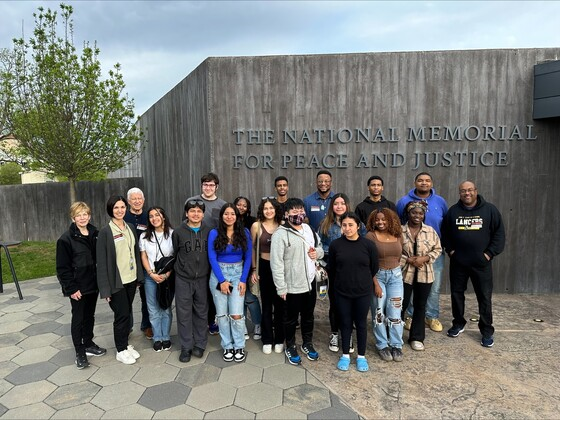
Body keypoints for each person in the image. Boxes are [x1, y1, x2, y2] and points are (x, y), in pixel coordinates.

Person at [441, 181, 505, 348]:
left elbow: (499, 234)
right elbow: (445, 233)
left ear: (476, 191)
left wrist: (488, 254)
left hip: (481, 264)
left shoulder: (490, 210)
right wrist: (451, 251)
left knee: (484, 297)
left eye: (469, 190)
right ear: (459, 193)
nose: (466, 193)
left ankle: (486, 331)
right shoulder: (453, 211)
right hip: (459, 263)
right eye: (463, 191)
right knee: (456, 294)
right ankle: (458, 323)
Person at [270, 198, 324, 365]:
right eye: (294, 211)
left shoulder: (308, 229)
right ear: (286, 214)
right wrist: (281, 288)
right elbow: (276, 263)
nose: (298, 214)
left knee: (308, 317)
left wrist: (318, 253)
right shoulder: (280, 234)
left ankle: (307, 343)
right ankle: (291, 345)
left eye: (301, 210)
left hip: (309, 283)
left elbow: (319, 247)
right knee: (290, 319)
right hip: (292, 286)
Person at [56, 201, 106, 369]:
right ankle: (80, 351)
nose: (83, 217)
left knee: (89, 316)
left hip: (92, 284)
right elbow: (62, 268)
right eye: (79, 215)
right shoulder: (65, 239)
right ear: (73, 217)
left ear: (89, 216)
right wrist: (71, 288)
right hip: (78, 287)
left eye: (85, 214)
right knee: (78, 318)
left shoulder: (95, 233)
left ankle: (89, 343)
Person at [396, 172, 448, 332]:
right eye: (420, 180)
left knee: (433, 287)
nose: (424, 183)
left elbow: (445, 223)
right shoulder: (404, 201)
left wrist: (425, 257)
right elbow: (398, 221)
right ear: (415, 182)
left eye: (427, 180)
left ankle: (431, 316)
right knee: (407, 287)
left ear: (431, 183)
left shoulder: (440, 201)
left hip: (432, 252)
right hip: (408, 254)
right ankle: (410, 316)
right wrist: (409, 259)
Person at [329, 212, 379, 372]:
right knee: (345, 323)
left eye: (351, 225)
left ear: (358, 226)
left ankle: (361, 357)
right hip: (342, 292)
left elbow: (374, 267)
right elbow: (332, 268)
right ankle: (345, 355)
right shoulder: (335, 245)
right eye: (344, 225)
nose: (347, 228)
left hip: (363, 292)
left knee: (362, 323)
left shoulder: (368, 245)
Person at [97, 195, 144, 365]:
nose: (119, 210)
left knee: (127, 312)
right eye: (116, 207)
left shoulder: (130, 227)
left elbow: (135, 253)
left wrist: (139, 277)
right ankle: (120, 350)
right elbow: (101, 263)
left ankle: (125, 344)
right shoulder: (105, 232)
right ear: (111, 210)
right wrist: (105, 289)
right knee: (122, 315)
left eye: (122, 207)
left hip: (131, 279)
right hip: (116, 282)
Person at [318, 193, 366, 354]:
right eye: (336, 203)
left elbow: (363, 245)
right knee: (335, 305)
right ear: (332, 206)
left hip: (353, 272)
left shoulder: (357, 223)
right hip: (332, 269)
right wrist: (334, 252)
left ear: (347, 205)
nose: (339, 206)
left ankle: (348, 335)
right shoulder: (325, 225)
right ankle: (334, 333)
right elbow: (319, 246)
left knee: (351, 305)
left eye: (342, 203)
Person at [208, 203, 253, 363]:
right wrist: (221, 281)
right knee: (222, 315)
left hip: (238, 273)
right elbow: (212, 257)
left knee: (236, 314)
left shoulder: (244, 232)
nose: (229, 217)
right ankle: (227, 345)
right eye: (226, 214)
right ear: (221, 216)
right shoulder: (214, 233)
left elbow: (248, 257)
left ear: (237, 216)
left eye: (232, 214)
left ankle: (239, 345)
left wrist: (243, 280)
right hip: (219, 273)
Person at [185, 173, 226, 336]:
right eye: (205, 185)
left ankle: (212, 320)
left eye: (211, 185)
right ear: (201, 186)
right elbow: (184, 226)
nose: (208, 188)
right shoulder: (192, 202)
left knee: (212, 288)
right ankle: (198, 322)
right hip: (196, 253)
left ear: (217, 187)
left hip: (215, 253)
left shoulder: (222, 205)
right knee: (199, 289)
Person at [173, 199, 212, 362]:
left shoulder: (209, 231)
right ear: (186, 213)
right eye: (192, 211)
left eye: (199, 211)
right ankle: (186, 346)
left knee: (202, 312)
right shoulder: (178, 231)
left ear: (203, 214)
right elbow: (175, 252)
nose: (195, 214)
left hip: (202, 278)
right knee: (183, 313)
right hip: (183, 278)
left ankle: (200, 344)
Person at [401, 201, 442, 351]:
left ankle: (417, 338)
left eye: (420, 213)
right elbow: (394, 251)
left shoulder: (430, 231)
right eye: (414, 213)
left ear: (424, 215)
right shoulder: (400, 231)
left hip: (425, 274)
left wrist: (424, 259)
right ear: (408, 213)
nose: (417, 216)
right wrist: (409, 259)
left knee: (420, 305)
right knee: (401, 304)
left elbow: (437, 249)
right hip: (405, 274)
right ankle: (396, 335)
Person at [365, 208, 404, 362]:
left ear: (390, 219)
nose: (380, 222)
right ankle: (382, 344)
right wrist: (375, 283)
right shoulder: (370, 236)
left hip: (395, 276)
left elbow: (399, 256)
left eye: (384, 219)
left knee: (395, 312)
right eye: (377, 220)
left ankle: (396, 344)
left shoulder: (398, 235)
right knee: (379, 312)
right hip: (378, 276)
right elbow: (368, 262)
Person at [250, 197, 284, 354]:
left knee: (280, 305)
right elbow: (252, 249)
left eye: (271, 208)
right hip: (263, 267)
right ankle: (267, 339)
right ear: (261, 210)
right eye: (265, 208)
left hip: (280, 269)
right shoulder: (256, 226)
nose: (269, 211)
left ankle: (279, 339)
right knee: (266, 304)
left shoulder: (283, 225)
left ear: (276, 209)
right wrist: (254, 269)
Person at [139, 206, 174, 352]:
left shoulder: (172, 234)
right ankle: (157, 338)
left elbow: (174, 257)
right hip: (150, 276)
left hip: (168, 275)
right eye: (151, 216)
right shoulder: (144, 236)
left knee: (165, 307)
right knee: (153, 309)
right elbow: (143, 256)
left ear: (163, 216)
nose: (154, 218)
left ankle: (166, 337)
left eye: (157, 215)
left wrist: (166, 275)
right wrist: (151, 273)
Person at [124, 187, 152, 340]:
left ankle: (147, 325)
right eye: (133, 199)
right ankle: (127, 326)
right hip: (128, 263)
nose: (137, 201)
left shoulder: (149, 216)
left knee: (146, 296)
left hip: (145, 262)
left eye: (139, 198)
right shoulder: (123, 216)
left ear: (143, 200)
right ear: (129, 201)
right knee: (126, 297)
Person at [234, 196, 261, 341]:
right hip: (234, 264)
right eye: (238, 204)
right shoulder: (230, 220)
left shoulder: (252, 222)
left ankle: (258, 323)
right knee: (239, 296)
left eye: (244, 205)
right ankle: (242, 324)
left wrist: (254, 268)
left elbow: (253, 246)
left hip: (249, 263)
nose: (241, 207)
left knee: (250, 296)